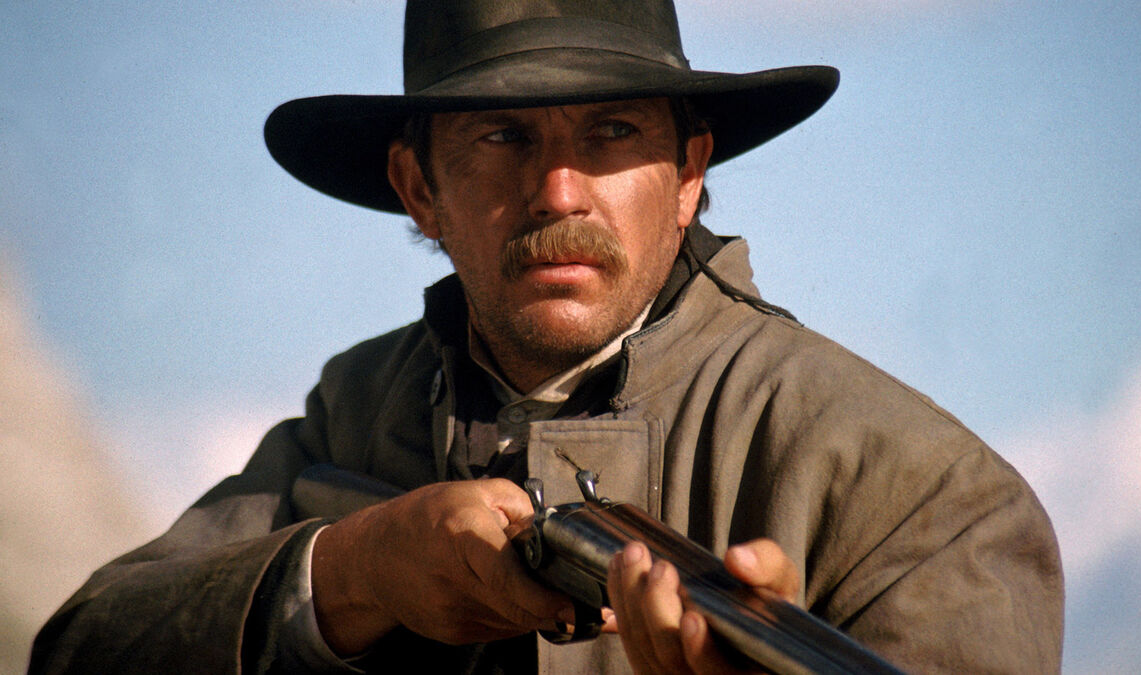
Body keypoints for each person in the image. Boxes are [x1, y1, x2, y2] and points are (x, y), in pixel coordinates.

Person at [30, 1, 1064, 673]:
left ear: (689, 170)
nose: (557, 191)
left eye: (612, 132)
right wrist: (360, 571)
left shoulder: (929, 498)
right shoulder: (353, 413)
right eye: (500, 135)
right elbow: (81, 652)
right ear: (417, 188)